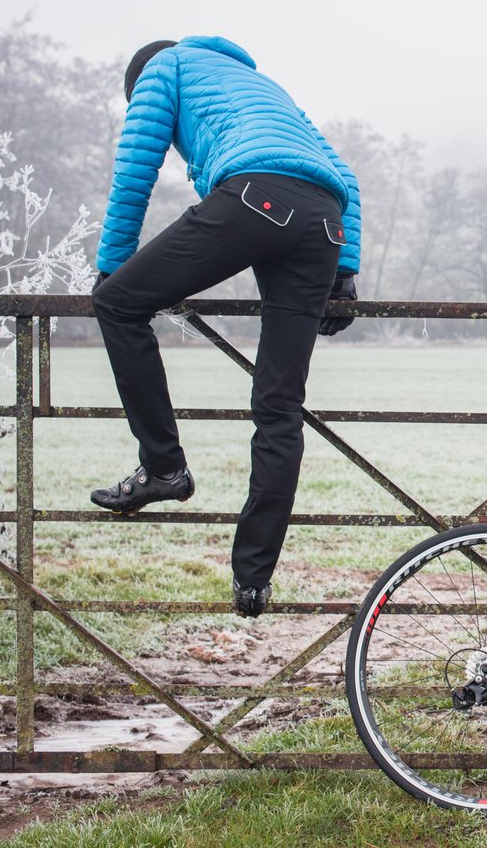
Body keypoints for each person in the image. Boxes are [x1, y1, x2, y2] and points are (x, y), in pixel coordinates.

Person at [89, 36, 362, 619]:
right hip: (324, 224)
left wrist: (112, 266)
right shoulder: (267, 88)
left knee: (117, 305)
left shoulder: (165, 66)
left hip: (257, 198)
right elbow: (345, 175)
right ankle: (254, 579)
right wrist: (344, 272)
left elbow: (136, 169)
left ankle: (163, 467)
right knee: (279, 406)